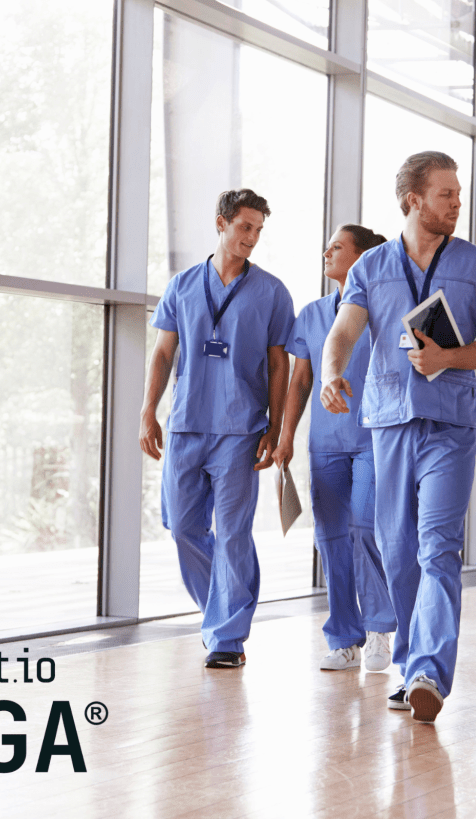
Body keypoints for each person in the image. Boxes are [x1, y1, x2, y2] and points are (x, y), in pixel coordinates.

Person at [320, 152, 476, 723]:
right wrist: (333, 373)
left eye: (458, 194)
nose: (458, 203)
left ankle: (429, 668)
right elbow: (343, 333)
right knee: (399, 550)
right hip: (388, 423)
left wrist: (449, 357)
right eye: (446, 194)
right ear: (413, 200)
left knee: (437, 546)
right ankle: (410, 665)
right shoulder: (371, 267)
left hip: (450, 424)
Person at [139, 188, 294, 669]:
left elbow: (278, 364)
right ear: (221, 224)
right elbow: (165, 352)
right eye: (245, 227)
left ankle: (227, 637)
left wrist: (275, 424)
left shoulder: (271, 291)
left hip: (241, 428)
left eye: (258, 230)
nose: (251, 238)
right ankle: (218, 613)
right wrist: (148, 410)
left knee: (232, 534)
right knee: (183, 527)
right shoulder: (183, 285)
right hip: (187, 425)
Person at [272, 224, 397, 673]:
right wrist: (285, 437)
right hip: (324, 444)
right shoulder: (311, 314)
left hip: (373, 438)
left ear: (364, 258)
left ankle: (381, 627)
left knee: (364, 527)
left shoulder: (384, 311)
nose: (327, 251)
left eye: (338, 247)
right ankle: (345, 637)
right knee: (330, 539)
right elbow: (301, 380)